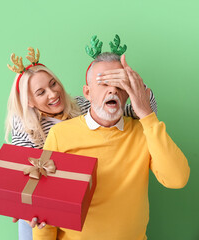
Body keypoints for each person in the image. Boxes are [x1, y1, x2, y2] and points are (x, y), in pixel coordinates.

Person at [32, 52, 190, 240]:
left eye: (120, 85)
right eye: (104, 84)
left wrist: (146, 114)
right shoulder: (61, 134)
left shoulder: (144, 131)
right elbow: (45, 204)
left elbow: (177, 179)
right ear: (88, 92)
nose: (113, 91)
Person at [5, 47, 157, 240]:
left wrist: (137, 89)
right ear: (30, 102)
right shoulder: (25, 125)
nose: (53, 94)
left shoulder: (82, 105)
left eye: (53, 84)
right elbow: (22, 174)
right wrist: (24, 208)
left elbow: (134, 112)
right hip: (41, 206)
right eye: (41, 92)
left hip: (78, 196)